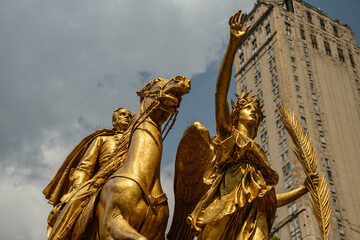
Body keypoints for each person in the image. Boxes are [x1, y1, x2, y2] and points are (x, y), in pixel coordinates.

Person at [188, 10, 317, 239]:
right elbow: (220, 92)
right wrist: (232, 46)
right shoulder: (229, 137)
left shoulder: (260, 158)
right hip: (225, 214)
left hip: (256, 215)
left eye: (257, 111)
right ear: (236, 115)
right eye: (249, 108)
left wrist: (304, 189)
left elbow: (270, 198)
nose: (254, 112)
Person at [43, 107, 132, 239]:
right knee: (74, 202)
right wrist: (76, 189)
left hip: (130, 180)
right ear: (114, 120)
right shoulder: (102, 139)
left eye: (129, 115)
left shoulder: (136, 141)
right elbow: (85, 167)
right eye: (123, 114)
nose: (127, 117)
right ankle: (58, 236)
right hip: (102, 180)